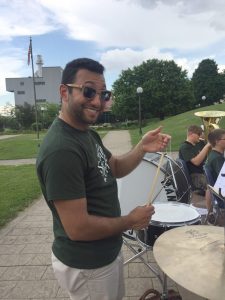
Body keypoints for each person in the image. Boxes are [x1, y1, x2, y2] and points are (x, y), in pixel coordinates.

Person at [36, 58, 171, 300]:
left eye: (103, 94)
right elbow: (77, 228)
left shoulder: (87, 135)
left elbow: (116, 167)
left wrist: (142, 147)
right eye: (88, 92)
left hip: (104, 254)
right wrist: (130, 220)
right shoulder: (62, 149)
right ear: (64, 92)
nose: (97, 101)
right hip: (87, 265)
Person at [179, 124, 211, 195]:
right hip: (195, 176)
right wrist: (207, 146)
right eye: (198, 134)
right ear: (191, 134)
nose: (200, 136)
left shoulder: (200, 143)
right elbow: (196, 162)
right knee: (215, 184)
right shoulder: (184, 147)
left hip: (204, 172)